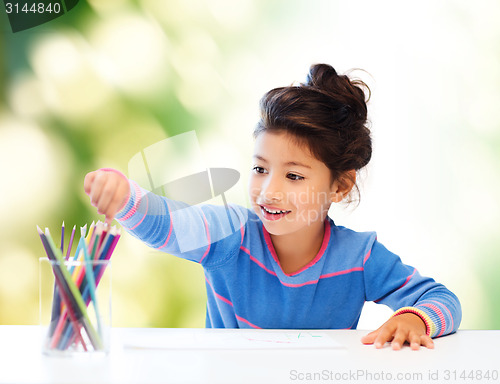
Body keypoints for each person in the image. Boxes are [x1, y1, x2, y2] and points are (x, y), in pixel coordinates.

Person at [84, 64, 461, 350]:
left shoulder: (359, 258)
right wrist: (126, 198)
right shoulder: (229, 234)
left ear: (340, 185)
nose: (268, 191)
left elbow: (442, 300)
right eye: (260, 169)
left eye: (293, 176)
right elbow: (168, 223)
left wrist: (416, 319)